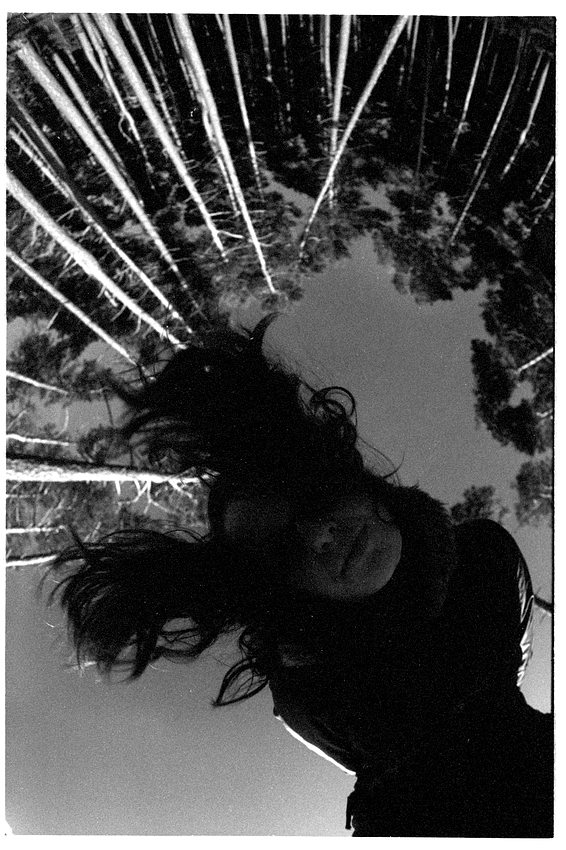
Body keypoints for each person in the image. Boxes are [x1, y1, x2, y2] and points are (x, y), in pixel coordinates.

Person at [47, 317, 553, 837]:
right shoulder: (314, 696)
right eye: (284, 552)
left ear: (355, 483)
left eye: (315, 500)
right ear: (293, 597)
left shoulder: (485, 560)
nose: (319, 539)